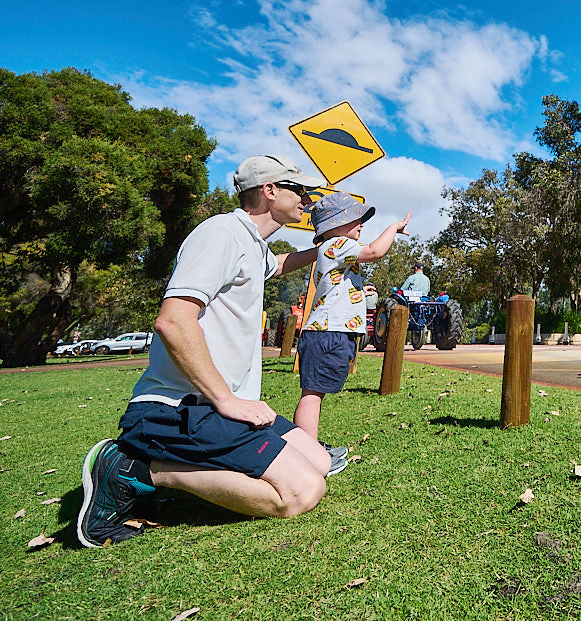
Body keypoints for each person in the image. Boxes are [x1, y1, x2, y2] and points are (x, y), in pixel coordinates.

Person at [77, 155, 329, 548]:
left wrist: (325, 248)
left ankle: (177, 465)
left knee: (320, 461)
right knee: (301, 492)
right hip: (179, 407)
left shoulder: (252, 243)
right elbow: (174, 321)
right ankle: (135, 469)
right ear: (269, 191)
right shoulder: (221, 233)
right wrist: (225, 399)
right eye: (298, 190)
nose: (306, 198)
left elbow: (274, 266)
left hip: (212, 406)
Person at [293, 193, 410, 470]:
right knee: (313, 394)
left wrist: (359, 289)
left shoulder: (333, 250)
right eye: (356, 219)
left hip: (328, 332)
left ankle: (307, 447)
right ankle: (307, 455)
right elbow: (374, 252)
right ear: (336, 222)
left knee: (314, 392)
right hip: (327, 333)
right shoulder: (335, 244)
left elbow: (334, 286)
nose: (361, 225)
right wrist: (393, 228)